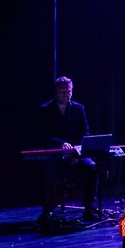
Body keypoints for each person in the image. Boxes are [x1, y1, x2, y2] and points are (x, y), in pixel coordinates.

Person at [34, 76, 102, 223]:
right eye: (63, 91)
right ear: (56, 92)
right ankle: (47, 210)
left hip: (76, 153)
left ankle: (89, 209)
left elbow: (85, 132)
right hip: (55, 155)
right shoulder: (45, 110)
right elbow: (44, 135)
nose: (66, 94)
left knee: (92, 168)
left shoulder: (79, 108)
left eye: (69, 91)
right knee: (45, 171)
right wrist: (62, 144)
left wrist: (76, 152)